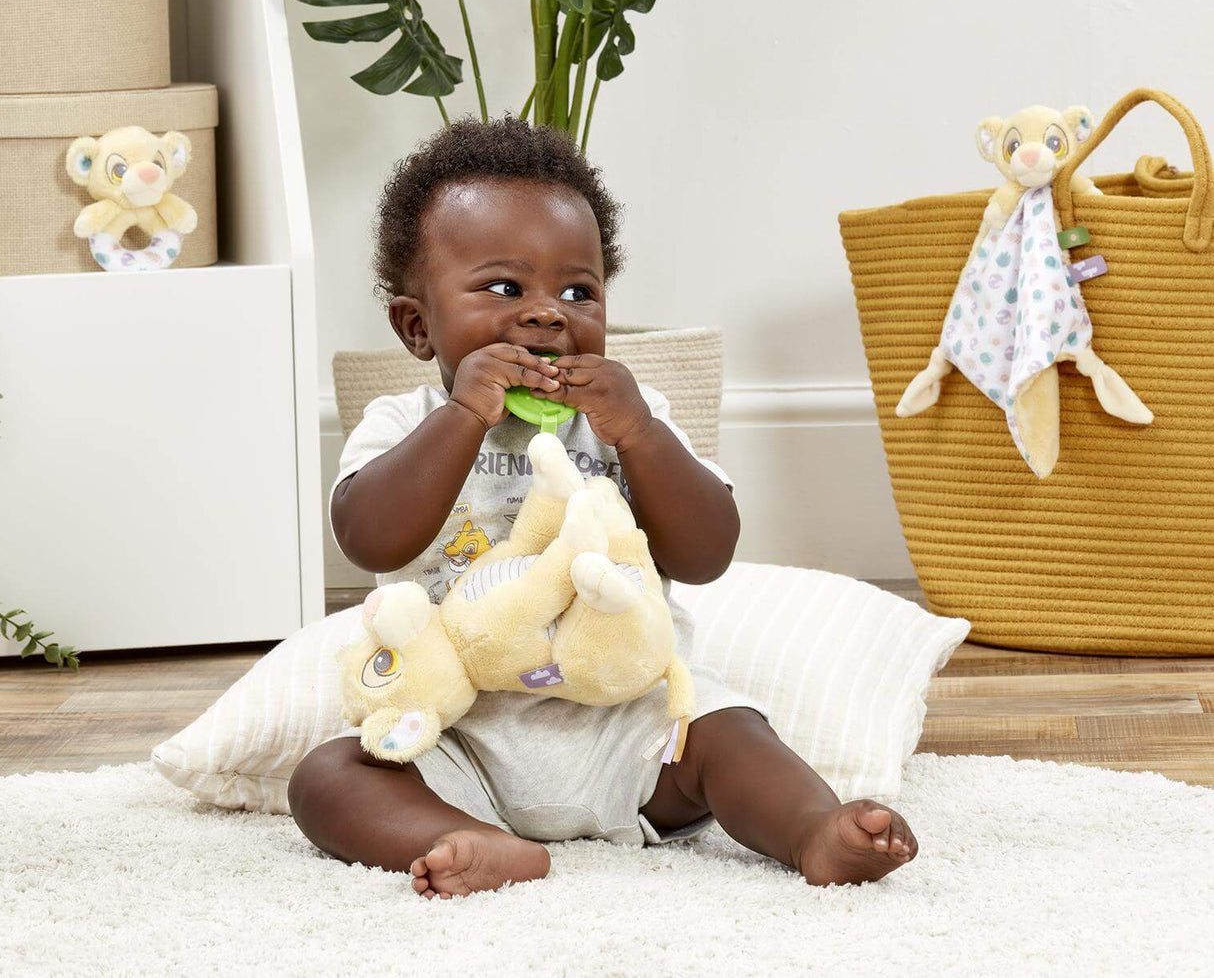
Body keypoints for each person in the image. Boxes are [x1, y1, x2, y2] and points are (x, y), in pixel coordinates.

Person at [287, 116, 918, 898]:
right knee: (327, 777)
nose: (550, 313)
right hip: (457, 733)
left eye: (578, 291)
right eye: (504, 287)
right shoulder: (402, 422)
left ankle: (813, 833)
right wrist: (462, 416)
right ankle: (467, 837)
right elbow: (368, 537)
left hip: (629, 722)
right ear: (418, 326)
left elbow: (706, 553)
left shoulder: (630, 415)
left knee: (730, 732)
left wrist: (642, 434)